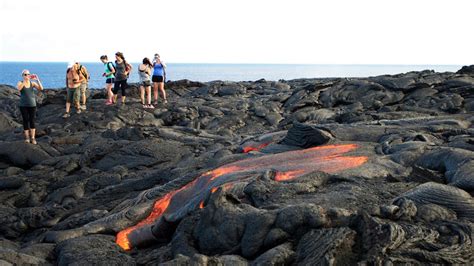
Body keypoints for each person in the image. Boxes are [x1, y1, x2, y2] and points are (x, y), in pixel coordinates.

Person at [16, 70, 43, 144]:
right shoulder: (20, 82)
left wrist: (37, 79)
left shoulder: (32, 83)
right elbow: (19, 89)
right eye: (25, 74)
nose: (27, 75)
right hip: (23, 105)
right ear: (22, 75)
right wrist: (25, 80)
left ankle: (33, 138)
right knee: (25, 120)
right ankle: (27, 137)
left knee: (32, 120)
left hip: (32, 105)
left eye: (28, 74)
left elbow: (41, 88)